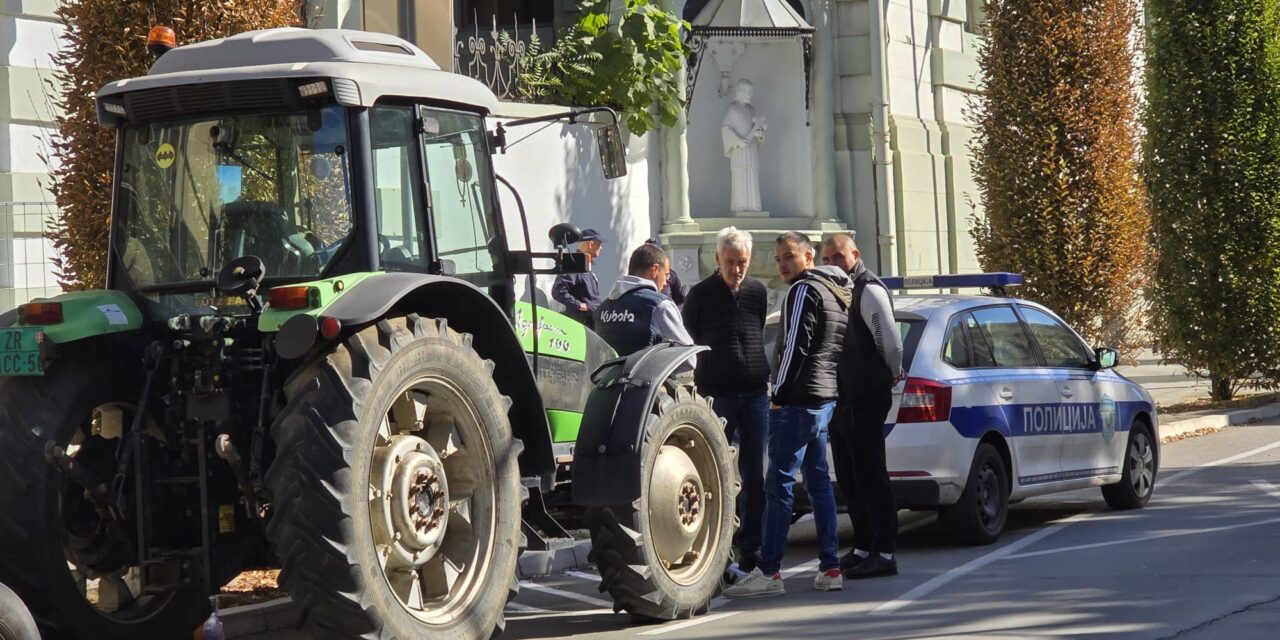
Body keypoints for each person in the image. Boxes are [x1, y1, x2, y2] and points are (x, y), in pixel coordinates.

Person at [724, 232, 850, 598]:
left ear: (808, 257)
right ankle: (830, 567)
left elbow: (795, 344)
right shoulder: (836, 292)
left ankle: (769, 572)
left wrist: (777, 392)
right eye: (778, 258)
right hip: (823, 399)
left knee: (777, 484)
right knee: (819, 483)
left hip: (796, 400)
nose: (782, 265)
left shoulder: (802, 291)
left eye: (789, 257)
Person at [682, 227, 769, 578]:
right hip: (717, 394)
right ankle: (717, 550)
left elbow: (757, 328)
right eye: (731, 262)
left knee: (755, 475)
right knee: (714, 474)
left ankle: (752, 548)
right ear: (718, 259)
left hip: (755, 395)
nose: (737, 269)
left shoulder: (757, 292)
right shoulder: (700, 295)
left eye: (743, 262)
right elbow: (690, 339)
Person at [821, 233, 905, 579]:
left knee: (871, 475)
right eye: (827, 258)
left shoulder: (867, 289)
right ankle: (863, 546)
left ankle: (884, 552)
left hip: (866, 395)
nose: (833, 263)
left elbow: (890, 341)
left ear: (855, 254)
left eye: (838, 256)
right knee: (849, 477)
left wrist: (885, 375)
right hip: (843, 398)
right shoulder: (834, 292)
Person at [595, 243, 696, 360]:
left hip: (608, 377)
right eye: (666, 275)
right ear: (655, 270)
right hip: (649, 377)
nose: (665, 283)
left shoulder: (603, 308)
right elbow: (688, 358)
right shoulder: (660, 306)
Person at [552, 228, 604, 327]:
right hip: (581, 325)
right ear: (591, 244)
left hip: (591, 324)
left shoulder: (585, 266)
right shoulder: (574, 264)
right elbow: (558, 291)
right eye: (599, 244)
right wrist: (578, 305)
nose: (601, 248)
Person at [645, 238, 686, 305]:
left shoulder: (671, 275)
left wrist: (673, 312)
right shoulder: (639, 274)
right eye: (649, 252)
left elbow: (680, 300)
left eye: (656, 252)